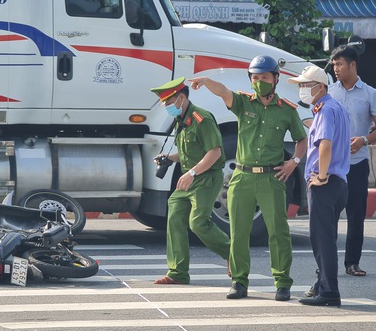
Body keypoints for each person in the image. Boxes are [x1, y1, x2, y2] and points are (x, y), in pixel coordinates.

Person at [189, 55, 307, 301]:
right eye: (255, 77)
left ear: (275, 79)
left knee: (278, 231)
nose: (260, 82)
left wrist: (293, 162)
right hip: (241, 178)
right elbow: (223, 92)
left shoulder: (287, 110)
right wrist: (206, 80)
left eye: (264, 77)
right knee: (239, 232)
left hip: (271, 178)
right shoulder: (244, 103)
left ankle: (282, 282)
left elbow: (301, 138)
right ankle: (239, 282)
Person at [149, 77, 231, 285]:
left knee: (198, 222)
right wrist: (170, 158)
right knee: (174, 216)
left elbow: (214, 152)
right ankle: (177, 273)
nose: (166, 107)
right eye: (164, 103)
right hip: (190, 178)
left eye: (169, 102)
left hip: (206, 177)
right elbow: (188, 152)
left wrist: (192, 173)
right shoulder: (181, 120)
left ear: (181, 98)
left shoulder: (201, 118)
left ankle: (233, 255)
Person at [287, 65, 350, 307]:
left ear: (320, 87)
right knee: (326, 239)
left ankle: (329, 291)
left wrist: (321, 175)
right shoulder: (335, 108)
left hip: (326, 183)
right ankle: (322, 283)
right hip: (338, 182)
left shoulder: (325, 110)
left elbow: (325, 145)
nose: (302, 89)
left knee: (322, 240)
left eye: (305, 85)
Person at [328, 45, 376, 277]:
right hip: (332, 165)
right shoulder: (329, 93)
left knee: (355, 215)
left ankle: (352, 263)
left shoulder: (370, 93)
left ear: (353, 65)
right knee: (329, 216)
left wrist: (363, 140)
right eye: (334, 64)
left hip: (357, 164)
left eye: (340, 64)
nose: (336, 69)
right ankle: (326, 262)